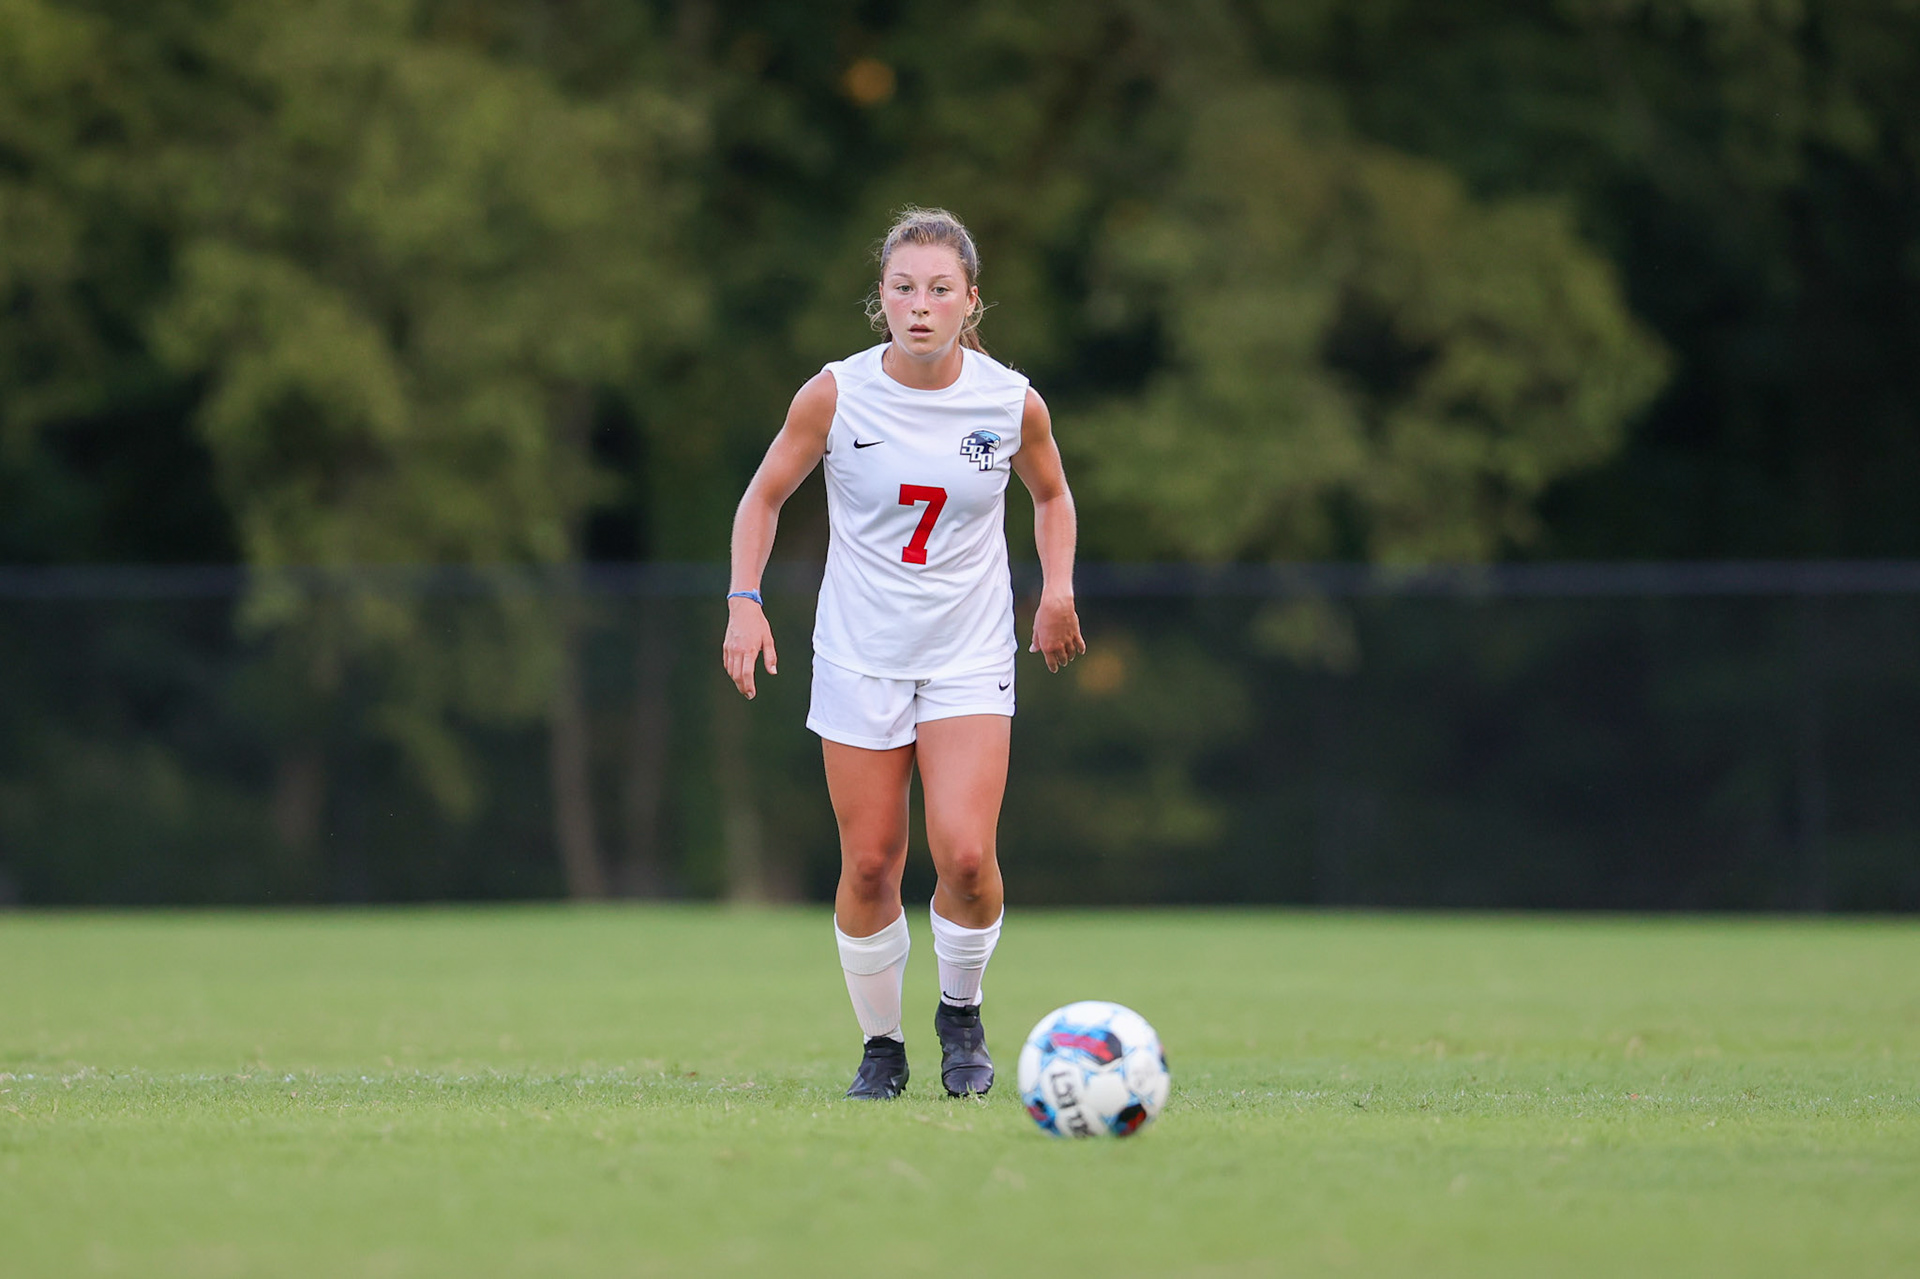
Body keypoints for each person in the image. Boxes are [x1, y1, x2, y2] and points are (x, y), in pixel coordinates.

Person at [722, 207, 1085, 1099]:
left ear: (971, 301)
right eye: (902, 288)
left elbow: (1052, 495)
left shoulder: (1010, 401)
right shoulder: (835, 395)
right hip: (859, 654)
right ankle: (881, 1045)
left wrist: (1059, 588)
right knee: (873, 860)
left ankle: (960, 1011)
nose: (919, 305)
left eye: (939, 290)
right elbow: (763, 497)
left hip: (967, 653)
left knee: (965, 855)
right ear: (880, 298)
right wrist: (744, 602)